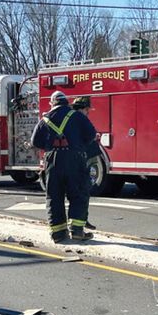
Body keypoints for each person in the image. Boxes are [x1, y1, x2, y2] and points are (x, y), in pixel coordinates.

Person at [31, 91, 97, 243]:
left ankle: (58, 233)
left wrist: (49, 147)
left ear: (52, 103)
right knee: (78, 193)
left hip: (53, 160)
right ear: (66, 102)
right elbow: (91, 134)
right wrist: (79, 146)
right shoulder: (77, 116)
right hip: (75, 158)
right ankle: (77, 230)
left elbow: (35, 141)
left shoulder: (44, 119)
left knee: (54, 195)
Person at [71, 97, 101, 231]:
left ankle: (82, 220)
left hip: (83, 158)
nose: (88, 112)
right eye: (88, 109)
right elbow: (90, 134)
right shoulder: (80, 118)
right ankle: (80, 222)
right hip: (84, 159)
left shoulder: (73, 118)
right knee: (82, 192)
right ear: (84, 108)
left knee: (83, 192)